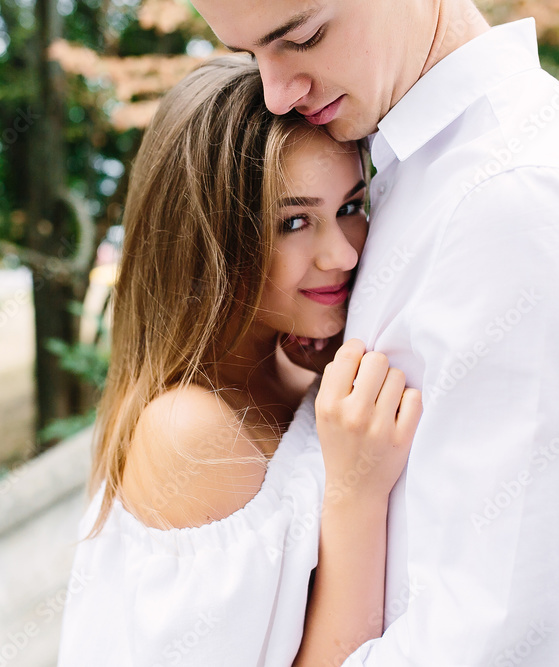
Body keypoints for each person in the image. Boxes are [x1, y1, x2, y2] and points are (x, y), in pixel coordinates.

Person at [189, 1, 559, 665]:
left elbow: (492, 637)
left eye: (302, 37)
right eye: (251, 56)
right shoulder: (412, 161)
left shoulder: (518, 199)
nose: (276, 92)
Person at [57, 56, 423, 666]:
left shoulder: (285, 369)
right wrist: (356, 496)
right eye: (295, 221)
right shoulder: (188, 434)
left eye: (351, 207)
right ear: (210, 241)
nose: (341, 254)